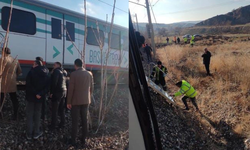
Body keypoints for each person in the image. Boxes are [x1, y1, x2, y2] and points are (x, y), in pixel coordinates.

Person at [67, 59, 94, 146]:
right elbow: (91, 87)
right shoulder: (89, 74)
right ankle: (83, 139)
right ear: (83, 65)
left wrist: (68, 101)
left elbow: (71, 89)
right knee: (84, 120)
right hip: (86, 101)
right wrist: (88, 96)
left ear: (75, 65)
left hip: (75, 101)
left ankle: (73, 140)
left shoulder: (74, 74)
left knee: (75, 121)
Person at [25, 60, 50, 140]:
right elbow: (47, 87)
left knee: (30, 114)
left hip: (30, 97)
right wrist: (40, 94)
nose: (32, 65)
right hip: (40, 98)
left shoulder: (31, 72)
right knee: (37, 114)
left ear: (36, 64)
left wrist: (35, 93)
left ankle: (29, 133)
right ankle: (36, 132)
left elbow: (28, 85)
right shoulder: (46, 73)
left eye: (33, 64)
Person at [0, 47, 22, 120]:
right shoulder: (15, 60)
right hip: (12, 82)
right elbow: (19, 72)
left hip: (3, 81)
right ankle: (15, 115)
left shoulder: (2, 60)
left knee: (1, 98)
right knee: (14, 98)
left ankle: (1, 114)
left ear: (3, 52)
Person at [49, 62, 67, 129]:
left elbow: (54, 82)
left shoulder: (56, 71)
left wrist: (51, 92)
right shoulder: (64, 72)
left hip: (57, 92)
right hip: (63, 92)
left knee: (54, 110)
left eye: (54, 65)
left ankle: (53, 125)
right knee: (61, 109)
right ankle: (63, 123)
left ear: (58, 65)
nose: (53, 66)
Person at [35, 57, 49, 121]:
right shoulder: (46, 69)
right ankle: (43, 116)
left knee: (36, 105)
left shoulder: (34, 70)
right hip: (43, 90)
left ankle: (37, 117)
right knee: (43, 104)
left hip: (37, 90)